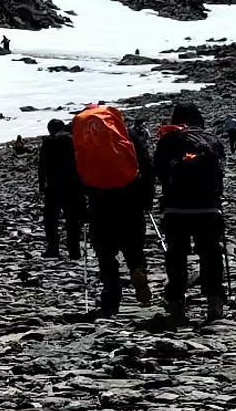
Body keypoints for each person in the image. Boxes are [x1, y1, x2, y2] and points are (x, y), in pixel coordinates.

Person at [71, 99, 152, 315]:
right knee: (134, 245)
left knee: (105, 253)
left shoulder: (82, 140)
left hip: (99, 201)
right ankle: (138, 271)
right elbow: (146, 164)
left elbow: (75, 175)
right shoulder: (126, 135)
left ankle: (112, 297)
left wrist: (81, 210)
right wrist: (147, 198)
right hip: (130, 199)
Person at [153, 95, 226, 323]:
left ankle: (176, 304)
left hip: (176, 209)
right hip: (209, 209)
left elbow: (159, 173)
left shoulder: (168, 140)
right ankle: (214, 303)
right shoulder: (211, 139)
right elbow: (220, 171)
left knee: (176, 257)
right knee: (211, 254)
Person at [36, 116, 87, 258]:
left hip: (54, 186)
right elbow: (79, 163)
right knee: (72, 220)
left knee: (50, 219)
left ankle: (53, 248)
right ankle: (74, 251)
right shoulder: (72, 140)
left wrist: (41, 185)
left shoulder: (48, 142)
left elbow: (42, 166)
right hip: (72, 186)